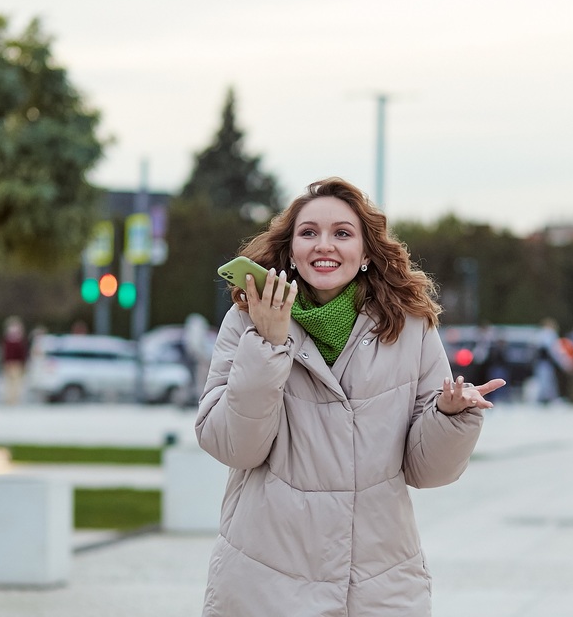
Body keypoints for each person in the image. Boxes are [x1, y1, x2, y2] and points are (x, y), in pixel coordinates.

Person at [195, 177, 505, 616]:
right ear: (290, 251)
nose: (325, 245)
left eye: (342, 233)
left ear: (365, 253)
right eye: (309, 233)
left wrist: (449, 416)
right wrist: (267, 345)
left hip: (378, 586)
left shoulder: (409, 325)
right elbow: (233, 446)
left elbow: (428, 471)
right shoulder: (247, 320)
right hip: (266, 582)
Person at [1, 316, 27, 405]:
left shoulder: (9, 340)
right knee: (13, 383)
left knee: (13, 383)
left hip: (13, 363)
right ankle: (11, 400)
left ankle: (12, 400)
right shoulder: (15, 341)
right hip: (14, 363)